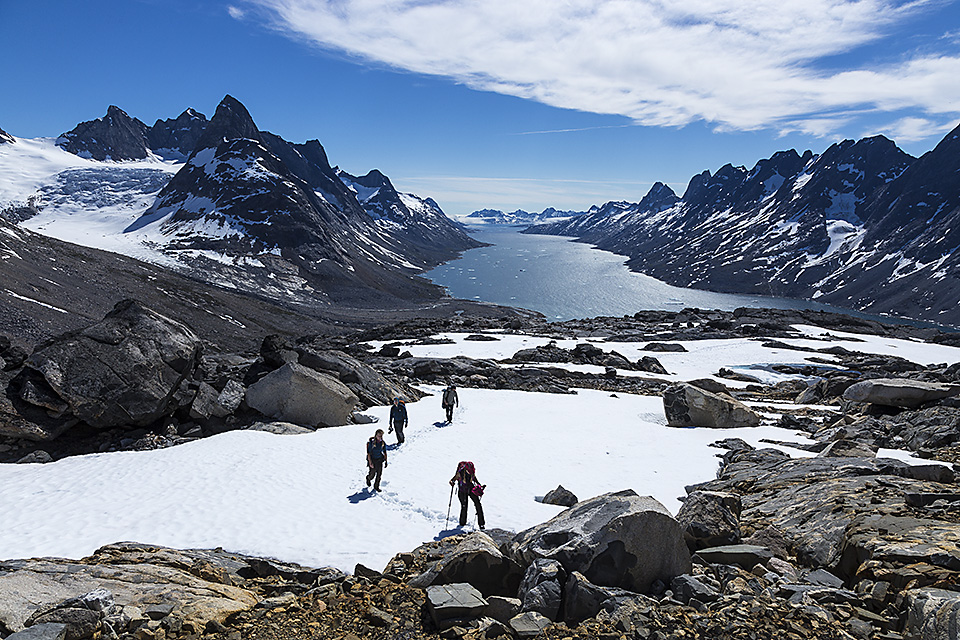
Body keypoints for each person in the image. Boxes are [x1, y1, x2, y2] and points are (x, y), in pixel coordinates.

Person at [450, 460, 485, 529]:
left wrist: (480, 486)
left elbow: (475, 479)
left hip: (470, 489)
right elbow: (452, 480)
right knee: (464, 506)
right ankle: (462, 523)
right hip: (462, 491)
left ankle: (481, 523)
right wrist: (452, 482)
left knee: (478, 504)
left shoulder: (471, 472)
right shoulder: (460, 472)